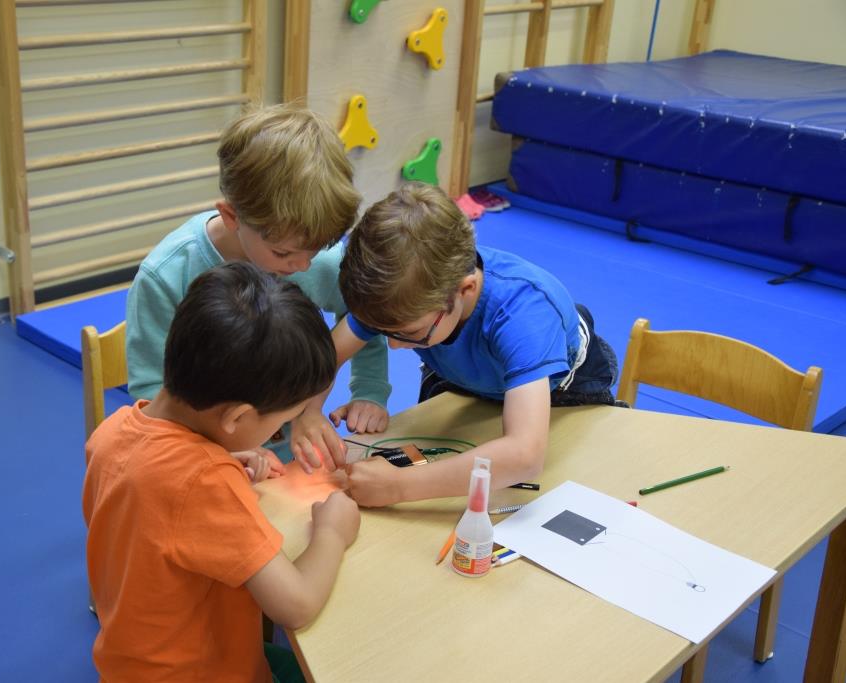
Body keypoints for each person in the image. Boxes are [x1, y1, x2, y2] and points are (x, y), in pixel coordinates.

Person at [84, 263, 361, 682]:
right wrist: (332, 531)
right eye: (282, 423)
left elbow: (156, 509)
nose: (279, 432)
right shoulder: (206, 482)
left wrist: (223, 459)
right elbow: (296, 605)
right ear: (236, 417)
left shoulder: (112, 432)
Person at [125, 104, 391, 473]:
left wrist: (367, 392)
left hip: (291, 455)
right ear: (232, 216)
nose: (302, 265)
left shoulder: (314, 258)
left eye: (316, 250)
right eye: (283, 253)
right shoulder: (168, 276)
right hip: (203, 457)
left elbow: (365, 314)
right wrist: (219, 453)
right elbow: (151, 391)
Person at [334, 183, 620, 507]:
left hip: (561, 390)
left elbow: (524, 456)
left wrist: (397, 487)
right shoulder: (402, 294)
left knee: (551, 488)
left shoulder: (525, 315)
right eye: (381, 330)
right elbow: (326, 359)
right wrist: (309, 416)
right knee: (437, 457)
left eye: (409, 333)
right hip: (466, 373)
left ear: (465, 290)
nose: (394, 346)